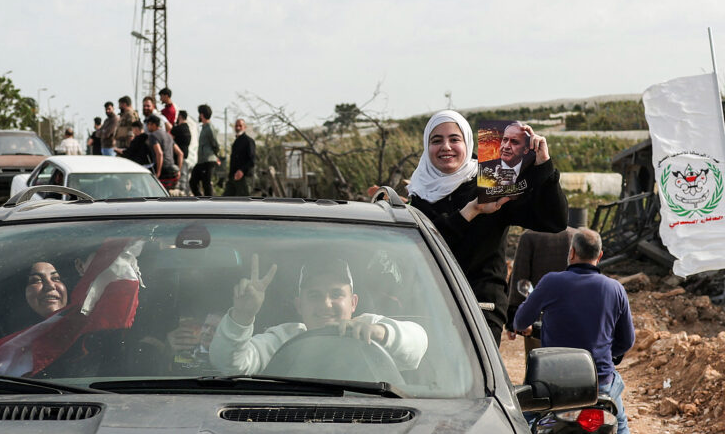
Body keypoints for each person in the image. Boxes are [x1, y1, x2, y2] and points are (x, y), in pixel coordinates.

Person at [406, 110, 567, 346]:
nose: (446, 147)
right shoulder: (419, 194)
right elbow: (429, 246)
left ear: (467, 142)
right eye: (436, 140)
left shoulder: (490, 179)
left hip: (482, 306)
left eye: (454, 139)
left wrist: (544, 166)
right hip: (429, 304)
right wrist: (472, 211)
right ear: (426, 146)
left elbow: (554, 221)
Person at [512, 228, 640, 434]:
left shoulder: (551, 282)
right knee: (618, 422)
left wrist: (526, 326)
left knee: (525, 418)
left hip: (554, 381)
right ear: (600, 256)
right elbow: (627, 340)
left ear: (571, 253)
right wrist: (611, 354)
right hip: (599, 381)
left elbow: (521, 318)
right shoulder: (614, 288)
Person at [209, 256, 427, 375]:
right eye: (314, 295)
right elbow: (229, 365)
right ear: (299, 305)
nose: (326, 304)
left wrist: (380, 333)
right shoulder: (282, 339)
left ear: (353, 303)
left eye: (336, 294)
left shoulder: (368, 326)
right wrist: (242, 316)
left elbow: (419, 343)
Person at [507, 226, 578, 355]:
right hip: (572, 316)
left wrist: (513, 320)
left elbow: (520, 278)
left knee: (539, 366)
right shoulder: (575, 235)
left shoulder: (529, 236)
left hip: (538, 319)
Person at [191, 104, 221, 196]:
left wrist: (214, 156)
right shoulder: (204, 127)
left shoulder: (209, 128)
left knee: (206, 183)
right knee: (193, 181)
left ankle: (209, 205)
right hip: (201, 161)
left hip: (208, 161)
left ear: (202, 114)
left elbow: (216, 144)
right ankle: (200, 199)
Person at [147, 115, 182, 188]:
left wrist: (158, 173)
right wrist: (179, 170)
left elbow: (159, 153)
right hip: (172, 170)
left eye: (148, 124)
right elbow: (180, 153)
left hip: (162, 170)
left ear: (153, 125)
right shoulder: (168, 135)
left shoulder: (153, 136)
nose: (147, 127)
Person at [223, 118, 255, 197]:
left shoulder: (248, 141)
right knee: (225, 200)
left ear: (244, 127)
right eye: (236, 126)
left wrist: (242, 171)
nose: (238, 128)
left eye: (240, 126)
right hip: (233, 178)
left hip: (243, 178)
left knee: (244, 203)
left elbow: (252, 160)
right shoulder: (236, 142)